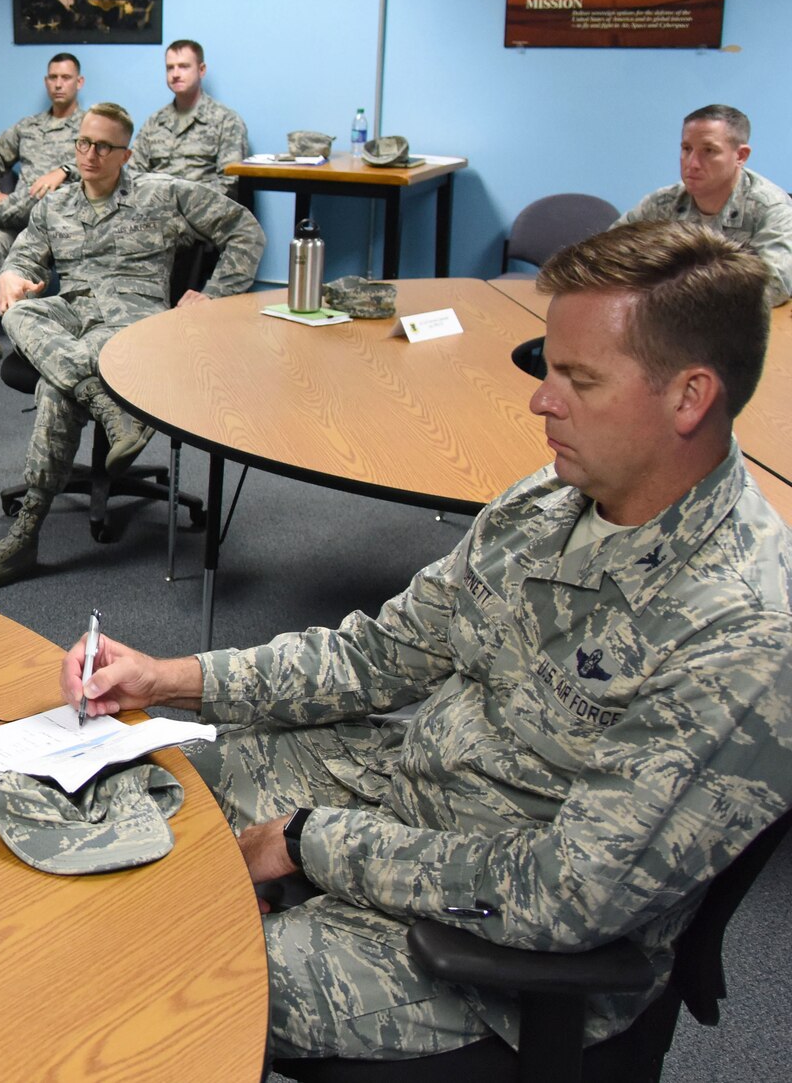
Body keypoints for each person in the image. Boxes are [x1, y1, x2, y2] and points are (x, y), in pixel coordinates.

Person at [62, 221, 792, 1065]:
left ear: (690, 396)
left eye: (578, 380)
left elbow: (567, 893)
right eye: (545, 367)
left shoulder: (741, 632)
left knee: (150, 985)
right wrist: (169, 677)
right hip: (401, 788)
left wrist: (309, 843)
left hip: (493, 941)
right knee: (133, 782)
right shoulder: (549, 502)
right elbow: (378, 654)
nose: (540, 401)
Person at [0, 103, 263, 588]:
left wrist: (214, 295)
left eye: (103, 146)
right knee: (21, 312)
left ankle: (26, 532)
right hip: (72, 316)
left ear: (126, 153)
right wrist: (12, 277)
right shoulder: (55, 205)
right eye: (83, 143)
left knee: (57, 390)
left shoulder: (162, 195)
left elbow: (243, 229)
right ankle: (106, 403)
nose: (90, 154)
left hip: (132, 323)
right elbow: (23, 259)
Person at [0, 54, 88, 358]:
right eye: (53, 77)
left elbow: (104, 166)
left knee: (46, 192)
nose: (58, 84)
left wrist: (64, 170)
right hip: (19, 221)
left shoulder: (90, 127)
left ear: (79, 82)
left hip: (66, 221)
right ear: (46, 81)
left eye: (66, 77)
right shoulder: (29, 126)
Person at [617, 104, 792, 306]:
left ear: (741, 156)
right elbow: (608, 257)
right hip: (668, 325)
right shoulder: (663, 203)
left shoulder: (772, 208)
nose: (692, 163)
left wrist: (673, 291)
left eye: (709, 150)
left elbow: (773, 286)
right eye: (686, 149)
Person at [126, 39, 250, 194]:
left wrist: (181, 206)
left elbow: (230, 184)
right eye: (170, 68)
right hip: (154, 213)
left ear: (201, 70)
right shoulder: (154, 123)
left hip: (205, 214)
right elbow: (133, 177)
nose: (175, 74)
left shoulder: (227, 121)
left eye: (184, 66)